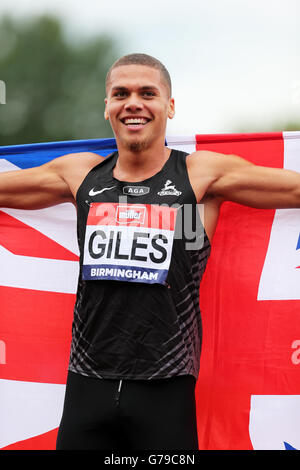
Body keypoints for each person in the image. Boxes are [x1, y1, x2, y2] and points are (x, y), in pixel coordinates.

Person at [1, 53, 300, 451]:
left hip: (166, 388)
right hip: (88, 384)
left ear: (169, 106)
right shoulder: (81, 176)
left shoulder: (200, 175)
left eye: (148, 93)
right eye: (120, 93)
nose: (133, 103)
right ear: (107, 106)